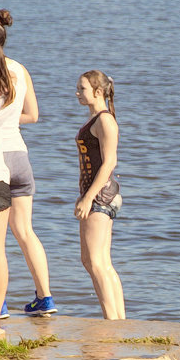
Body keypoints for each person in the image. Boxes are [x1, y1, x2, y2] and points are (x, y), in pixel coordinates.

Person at [0, 10, 55, 317]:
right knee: (25, 230)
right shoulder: (19, 69)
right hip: (19, 154)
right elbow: (32, 115)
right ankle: (45, 298)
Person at [74, 70, 124, 320]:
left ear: (98, 91)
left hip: (101, 195)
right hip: (99, 193)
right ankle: (119, 321)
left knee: (94, 261)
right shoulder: (97, 119)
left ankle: (112, 321)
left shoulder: (104, 120)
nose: (77, 93)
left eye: (82, 89)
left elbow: (109, 163)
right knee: (100, 261)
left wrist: (88, 197)